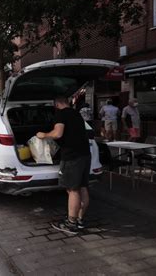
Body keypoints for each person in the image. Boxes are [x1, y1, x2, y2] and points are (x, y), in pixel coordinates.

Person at [36, 96, 91, 235]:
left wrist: (43, 135)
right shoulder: (76, 113)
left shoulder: (61, 114)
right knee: (83, 187)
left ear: (56, 104)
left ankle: (71, 224)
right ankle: (79, 221)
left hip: (72, 157)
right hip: (85, 154)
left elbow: (58, 133)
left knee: (73, 190)